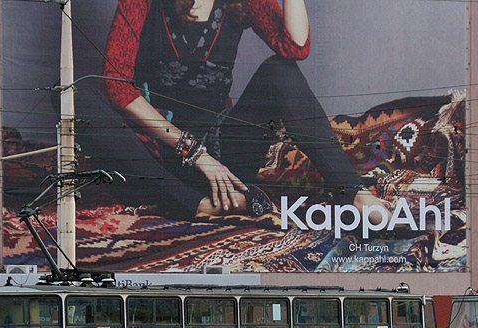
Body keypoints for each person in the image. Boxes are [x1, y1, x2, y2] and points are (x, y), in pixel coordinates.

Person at [101, 0, 385, 220]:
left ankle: (353, 193)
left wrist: (208, 156)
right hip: (158, 156)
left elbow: (294, 48)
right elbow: (118, 88)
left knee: (279, 71)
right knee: (77, 94)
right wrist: (193, 153)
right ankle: (196, 204)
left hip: (225, 159)